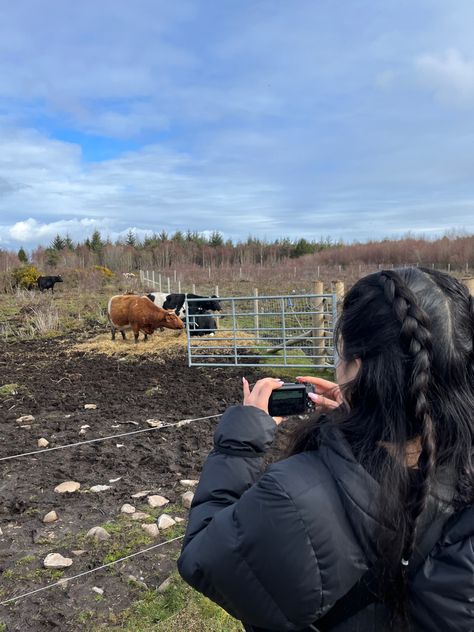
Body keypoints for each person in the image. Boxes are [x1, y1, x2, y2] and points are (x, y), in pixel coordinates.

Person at [178, 267, 474, 631]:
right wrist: (365, 410)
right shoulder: (463, 467)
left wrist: (240, 442)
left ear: (358, 367)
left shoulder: (294, 499)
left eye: (339, 353)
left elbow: (203, 555)